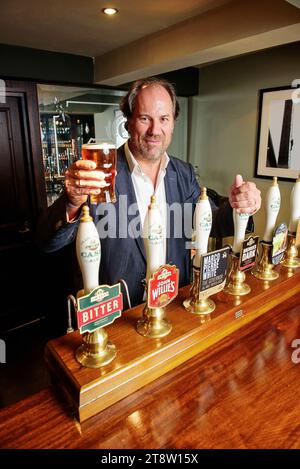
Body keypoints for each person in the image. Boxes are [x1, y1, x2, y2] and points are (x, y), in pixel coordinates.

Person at [36, 77, 261, 308]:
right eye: (145, 118)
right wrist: (72, 202)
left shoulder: (182, 172)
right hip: (118, 314)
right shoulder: (101, 173)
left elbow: (211, 221)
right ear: (129, 122)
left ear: (173, 123)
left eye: (164, 119)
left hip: (175, 305)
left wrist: (239, 207)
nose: (155, 130)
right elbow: (47, 242)